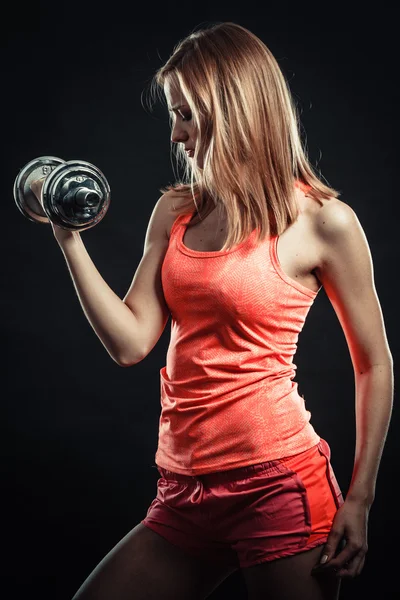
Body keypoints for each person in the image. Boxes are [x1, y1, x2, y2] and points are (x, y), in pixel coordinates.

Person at [32, 21, 393, 600]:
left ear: (236, 109)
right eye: (171, 116)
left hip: (276, 486)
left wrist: (361, 499)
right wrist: (67, 238)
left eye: (186, 114)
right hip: (183, 490)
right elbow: (130, 343)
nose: (175, 135)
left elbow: (374, 363)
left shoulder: (324, 222)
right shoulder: (176, 210)